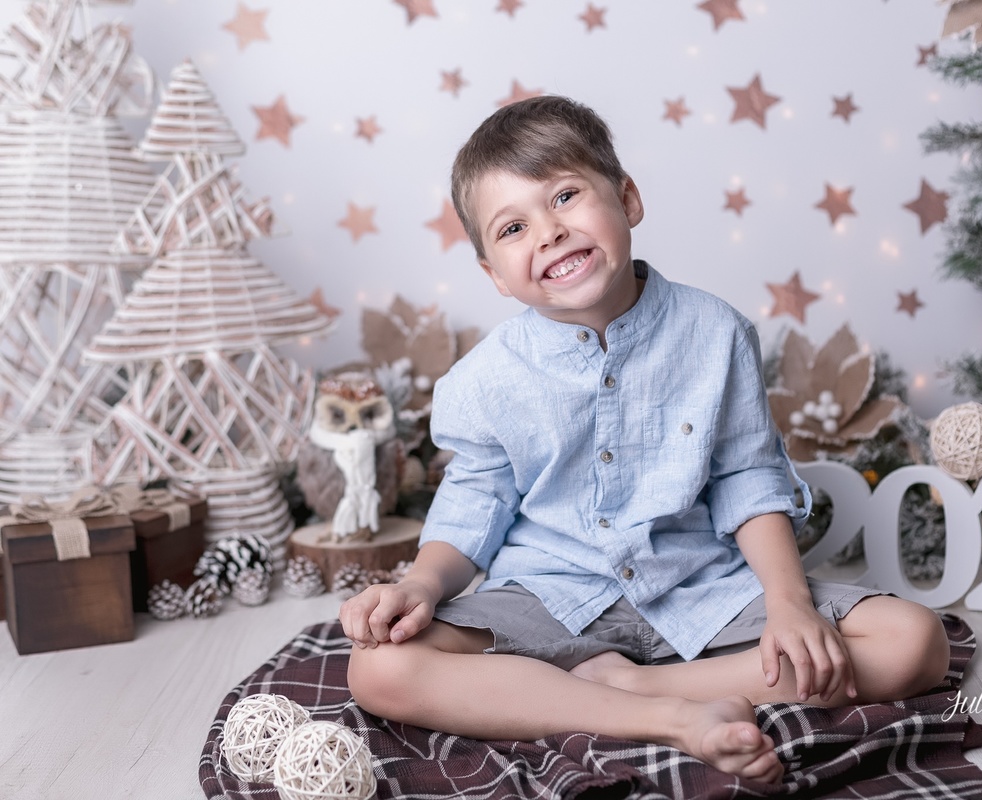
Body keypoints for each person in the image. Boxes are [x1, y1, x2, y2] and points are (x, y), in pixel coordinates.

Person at [339, 95, 950, 783]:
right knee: (380, 668)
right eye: (513, 227)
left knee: (914, 644)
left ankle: (630, 688)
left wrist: (787, 603)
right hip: (549, 596)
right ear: (493, 275)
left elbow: (747, 478)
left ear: (627, 199)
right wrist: (422, 584)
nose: (549, 231)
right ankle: (669, 718)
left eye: (566, 195)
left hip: (698, 585)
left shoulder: (715, 333)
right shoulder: (483, 381)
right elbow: (473, 503)